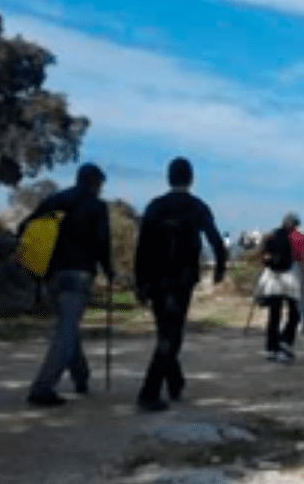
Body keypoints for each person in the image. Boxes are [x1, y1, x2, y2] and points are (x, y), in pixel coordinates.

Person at [133, 157, 228, 411]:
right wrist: (219, 269)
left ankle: (175, 383)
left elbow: (142, 247)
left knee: (165, 332)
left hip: (154, 279)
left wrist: (139, 281)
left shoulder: (155, 206)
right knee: (171, 336)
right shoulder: (197, 207)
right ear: (191, 179)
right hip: (181, 279)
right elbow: (216, 241)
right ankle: (149, 392)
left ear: (168, 177)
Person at [22, 163, 112, 407]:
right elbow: (102, 242)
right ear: (95, 182)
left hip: (52, 275)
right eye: (100, 184)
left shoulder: (55, 200)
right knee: (66, 331)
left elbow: (25, 228)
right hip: (80, 273)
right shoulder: (97, 206)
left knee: (67, 327)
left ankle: (81, 377)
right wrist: (109, 270)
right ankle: (42, 388)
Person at [258, 212, 304, 363]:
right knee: (294, 313)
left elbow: (262, 255)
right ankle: (285, 342)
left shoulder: (271, 235)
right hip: (291, 278)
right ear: (296, 224)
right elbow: (301, 257)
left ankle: (271, 349)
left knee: (274, 315)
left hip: (273, 278)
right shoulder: (298, 237)